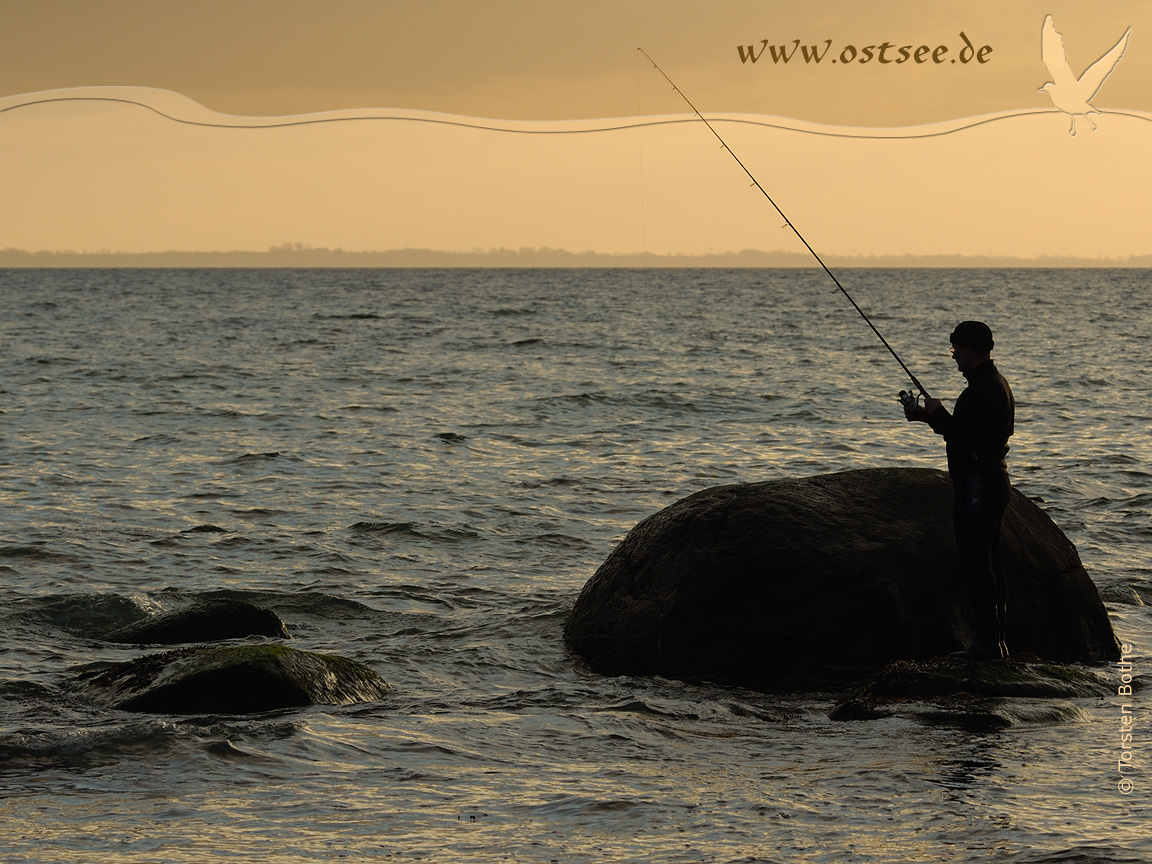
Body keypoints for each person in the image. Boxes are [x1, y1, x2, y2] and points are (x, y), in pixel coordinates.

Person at [904, 321, 1015, 660]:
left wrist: (937, 414)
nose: (953, 357)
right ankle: (996, 641)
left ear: (968, 349)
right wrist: (928, 417)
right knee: (990, 561)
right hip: (991, 479)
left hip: (978, 484)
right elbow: (969, 432)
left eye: (955, 350)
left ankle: (986, 644)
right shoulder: (995, 385)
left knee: (978, 564)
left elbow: (964, 438)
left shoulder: (983, 390)